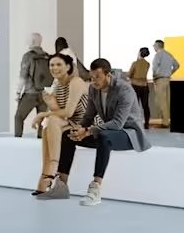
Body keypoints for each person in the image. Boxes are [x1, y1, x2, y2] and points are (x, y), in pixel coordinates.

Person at [46, 58, 151, 204]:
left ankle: (95, 188)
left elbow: (118, 123)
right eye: (92, 77)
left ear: (108, 74)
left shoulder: (124, 89)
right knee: (68, 135)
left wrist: (89, 131)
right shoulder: (93, 89)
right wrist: (80, 129)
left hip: (129, 133)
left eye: (98, 77)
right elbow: (89, 115)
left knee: (104, 136)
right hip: (107, 130)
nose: (94, 81)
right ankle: (61, 187)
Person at [29, 53, 84, 195]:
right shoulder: (58, 84)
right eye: (52, 65)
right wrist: (51, 103)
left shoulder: (75, 82)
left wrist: (42, 114)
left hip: (85, 125)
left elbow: (68, 112)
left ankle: (50, 174)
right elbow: (59, 112)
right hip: (70, 123)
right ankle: (45, 175)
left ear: (68, 67)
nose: (54, 68)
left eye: (59, 64)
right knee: (48, 126)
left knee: (50, 120)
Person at [14, 33, 52, 134]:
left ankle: (17, 141)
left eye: (28, 39)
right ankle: (41, 144)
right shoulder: (47, 56)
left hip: (30, 93)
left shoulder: (28, 56)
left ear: (32, 42)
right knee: (42, 121)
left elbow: (23, 76)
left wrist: (18, 92)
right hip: (44, 93)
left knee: (19, 117)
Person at [148, 40, 178, 128]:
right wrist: (169, 73)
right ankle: (166, 120)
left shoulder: (158, 55)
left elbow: (154, 68)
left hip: (160, 80)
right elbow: (177, 65)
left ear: (157, 46)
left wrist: (154, 77)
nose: (153, 47)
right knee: (166, 101)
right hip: (167, 79)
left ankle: (165, 123)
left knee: (161, 101)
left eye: (154, 45)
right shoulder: (168, 54)